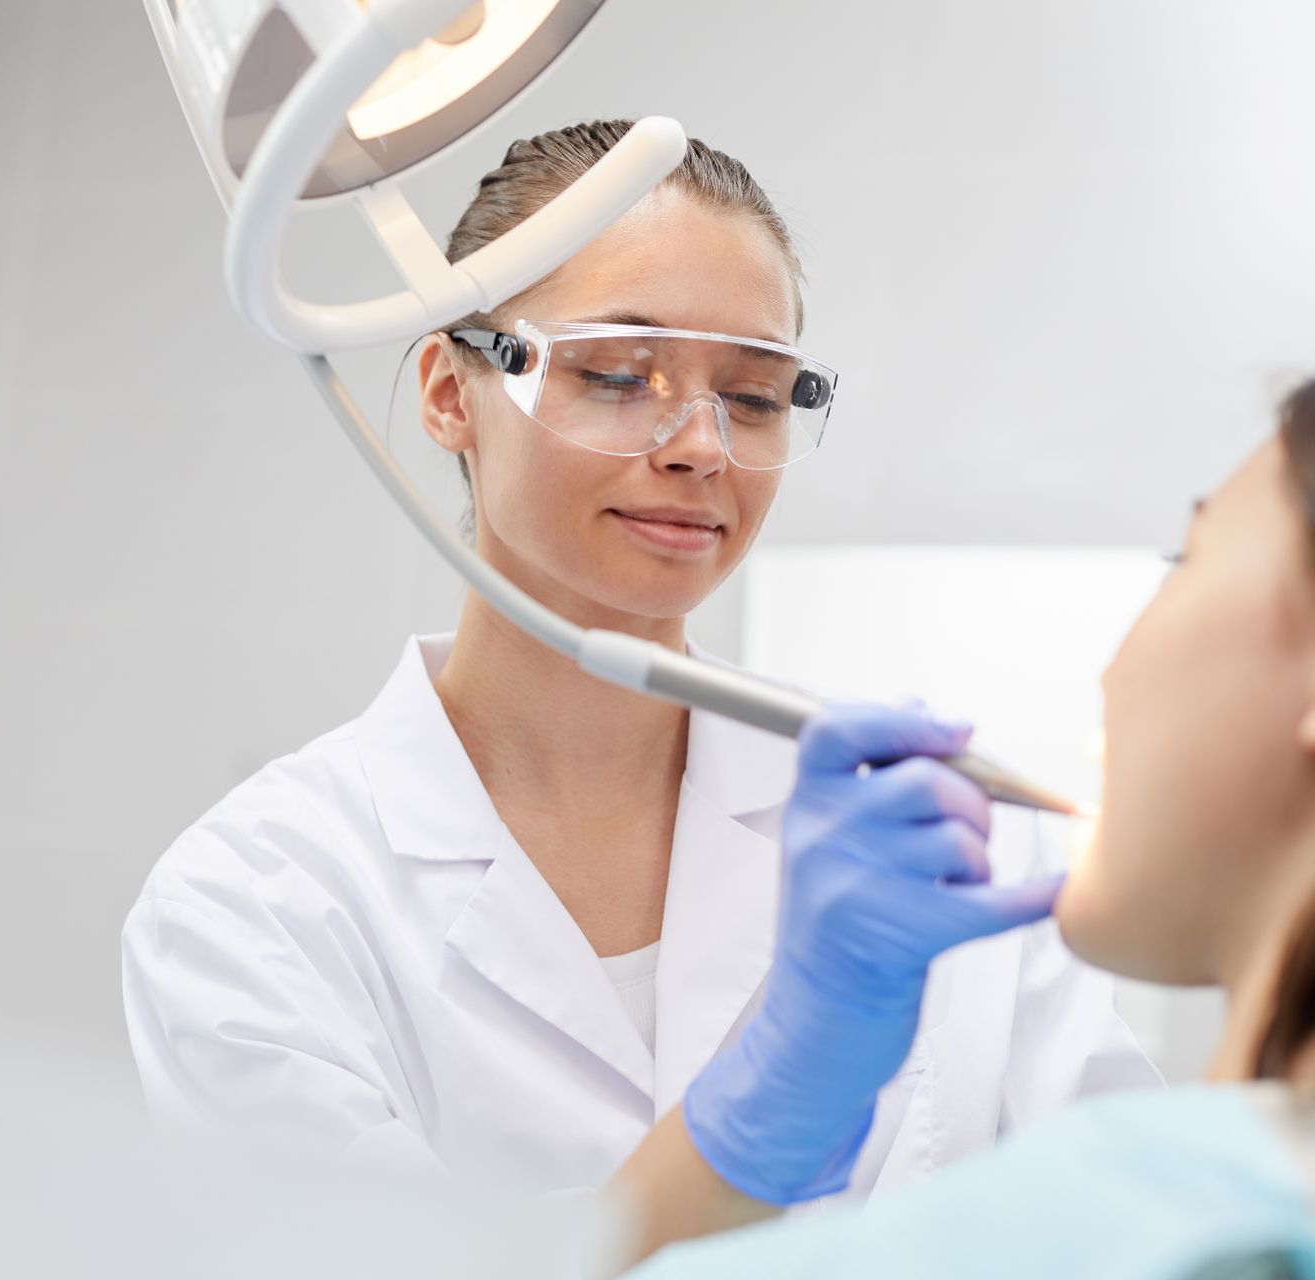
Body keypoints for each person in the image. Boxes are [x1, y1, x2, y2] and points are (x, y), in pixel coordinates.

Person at [121, 121, 1155, 1199]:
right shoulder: (259, 899)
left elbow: (1151, 1225)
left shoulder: (932, 838)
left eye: (754, 397)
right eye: (619, 373)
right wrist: (764, 1098)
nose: (703, 443)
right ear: (446, 391)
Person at [612, 382, 1315, 1277]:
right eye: (618, 376)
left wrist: (747, 1131)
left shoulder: (1155, 1225)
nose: (1113, 671)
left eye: (1187, 557)